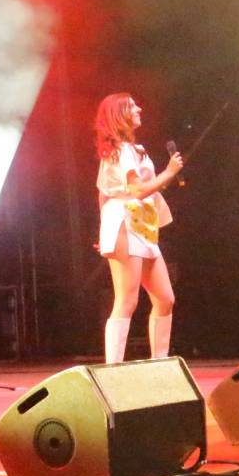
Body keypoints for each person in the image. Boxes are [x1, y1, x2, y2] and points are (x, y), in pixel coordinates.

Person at [95, 93, 183, 364]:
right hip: (125, 219)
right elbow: (136, 190)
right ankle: (113, 367)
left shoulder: (130, 150)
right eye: (133, 106)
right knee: (127, 299)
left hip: (141, 223)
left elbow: (103, 193)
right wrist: (169, 172)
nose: (139, 109)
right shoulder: (121, 151)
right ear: (120, 114)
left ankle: (159, 362)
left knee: (165, 298)